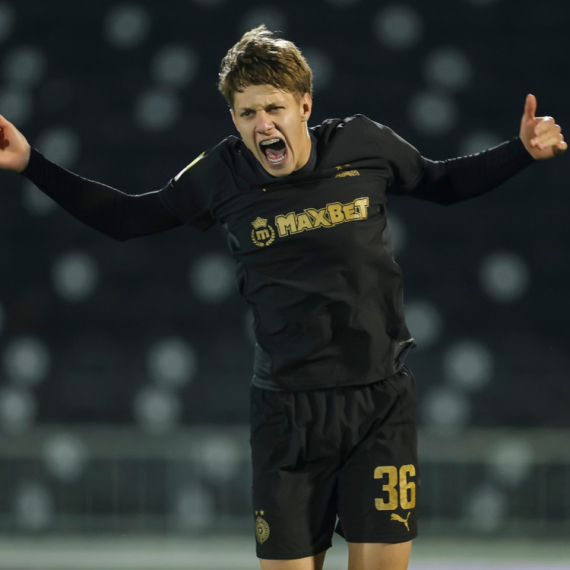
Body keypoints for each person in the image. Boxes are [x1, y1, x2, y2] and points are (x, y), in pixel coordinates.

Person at [0, 25, 566, 570]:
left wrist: (519, 151)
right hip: (286, 413)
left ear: (304, 106)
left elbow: (442, 182)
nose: (263, 123)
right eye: (247, 113)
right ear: (234, 119)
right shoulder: (221, 174)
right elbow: (128, 218)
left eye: (273, 108)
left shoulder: (363, 142)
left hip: (378, 403)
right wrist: (31, 163)